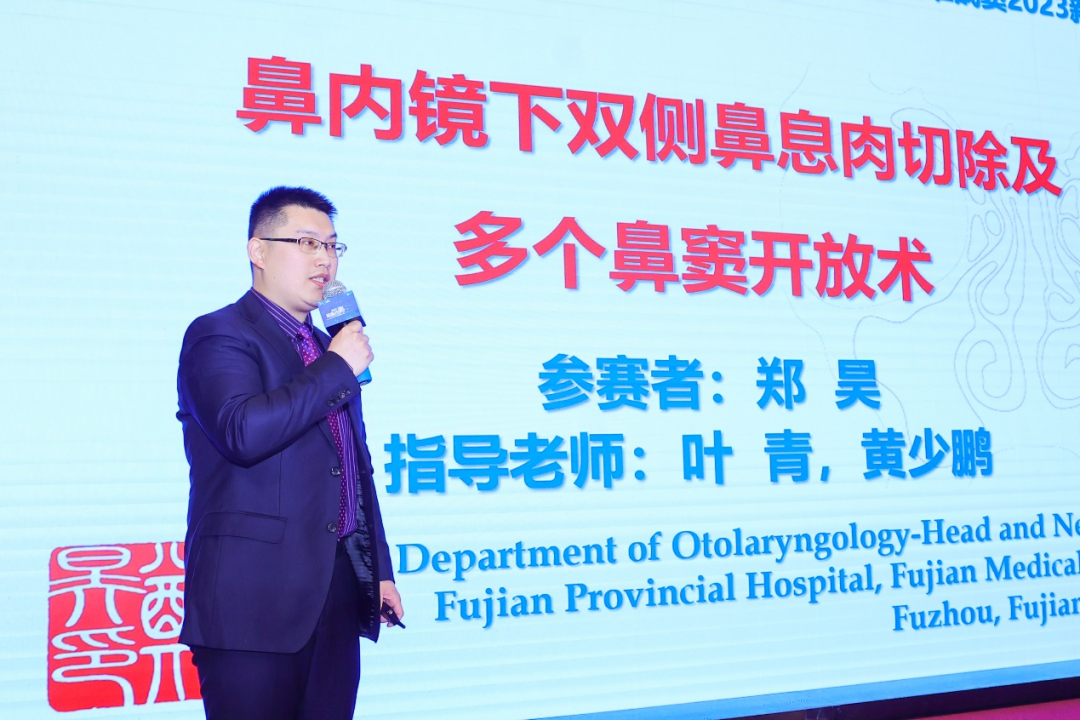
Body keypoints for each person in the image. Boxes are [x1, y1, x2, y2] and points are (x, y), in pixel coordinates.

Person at [176, 186, 402, 720]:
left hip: (335, 591)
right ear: (258, 250)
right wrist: (336, 367)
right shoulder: (219, 334)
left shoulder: (326, 347)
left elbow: (352, 465)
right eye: (306, 243)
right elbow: (242, 431)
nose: (325, 259)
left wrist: (378, 568)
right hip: (251, 601)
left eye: (332, 245)